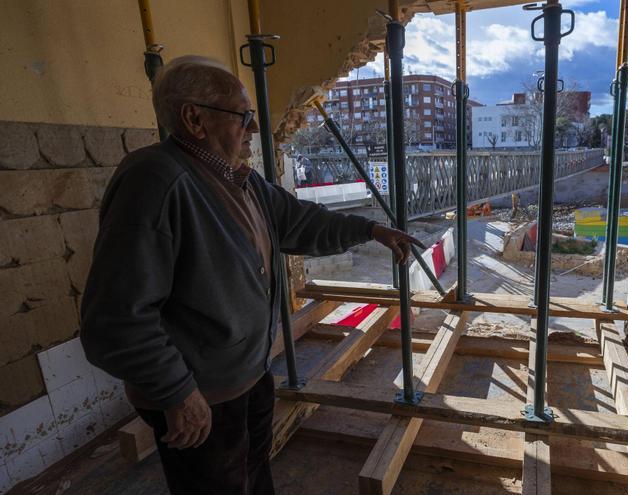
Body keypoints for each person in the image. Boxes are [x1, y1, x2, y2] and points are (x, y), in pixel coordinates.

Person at [79, 56, 423, 495]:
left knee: (254, 474)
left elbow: (300, 221)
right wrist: (177, 392)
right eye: (243, 117)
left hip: (249, 375)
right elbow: (115, 318)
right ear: (194, 119)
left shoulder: (237, 179)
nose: (254, 129)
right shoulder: (156, 180)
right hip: (201, 394)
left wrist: (368, 229)